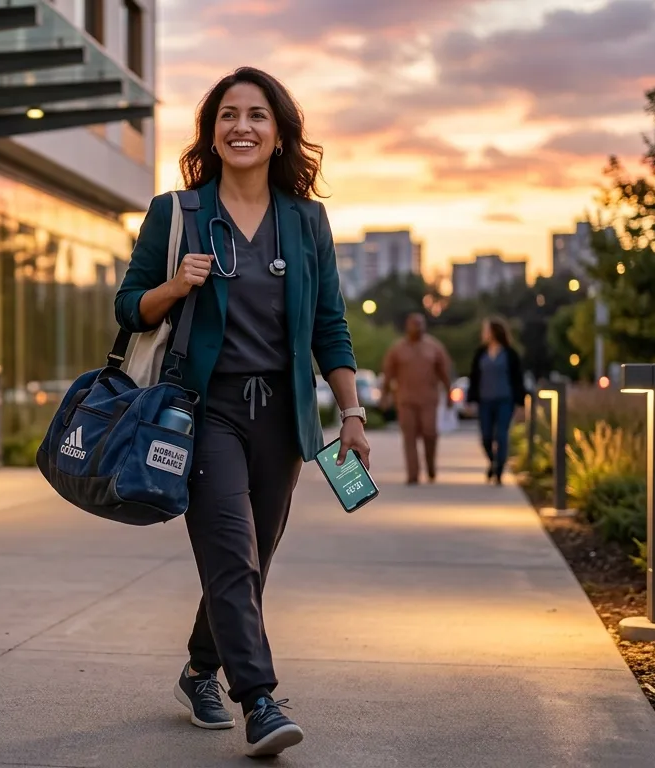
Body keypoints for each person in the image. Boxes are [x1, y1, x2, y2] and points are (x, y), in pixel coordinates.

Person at [114, 66, 368, 758]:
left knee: (248, 563)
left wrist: (351, 413)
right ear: (212, 132)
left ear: (280, 134)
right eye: (228, 115)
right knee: (229, 550)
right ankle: (258, 698)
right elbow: (127, 306)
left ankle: (200, 669)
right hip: (205, 413)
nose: (242, 127)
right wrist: (173, 285)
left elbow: (329, 327)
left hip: (282, 420)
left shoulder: (306, 222)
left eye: (257, 115)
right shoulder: (180, 212)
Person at [381, 313, 453, 485]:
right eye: (414, 324)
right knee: (409, 437)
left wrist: (449, 394)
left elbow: (445, 373)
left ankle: (430, 466)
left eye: (420, 324)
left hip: (428, 399)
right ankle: (413, 474)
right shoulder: (397, 349)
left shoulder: (434, 347)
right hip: (406, 400)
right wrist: (385, 395)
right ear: (408, 326)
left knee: (430, 434)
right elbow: (388, 375)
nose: (417, 327)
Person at [468, 317, 526, 485]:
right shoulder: (481, 353)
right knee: (486, 436)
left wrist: (521, 402)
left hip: (504, 400)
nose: (483, 333)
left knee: (501, 435)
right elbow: (474, 377)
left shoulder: (509, 354)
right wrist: (471, 399)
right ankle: (493, 461)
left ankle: (499, 469)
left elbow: (517, 378)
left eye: (486, 330)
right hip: (485, 401)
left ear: (494, 332)